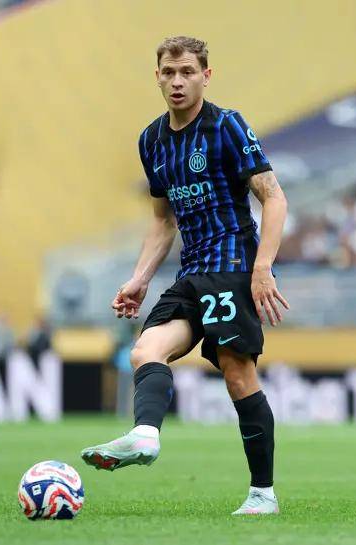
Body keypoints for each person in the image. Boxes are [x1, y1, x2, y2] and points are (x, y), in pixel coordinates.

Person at [80, 36, 290, 516]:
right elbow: (163, 220)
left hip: (232, 264)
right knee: (145, 350)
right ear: (157, 76)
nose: (177, 81)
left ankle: (263, 494)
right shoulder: (151, 140)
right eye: (169, 72)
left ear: (205, 76)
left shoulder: (226, 126)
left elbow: (274, 197)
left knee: (237, 374)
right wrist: (139, 278)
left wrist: (262, 269)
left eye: (188, 72)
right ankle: (145, 435)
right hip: (192, 272)